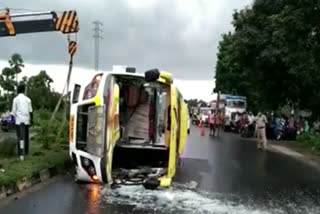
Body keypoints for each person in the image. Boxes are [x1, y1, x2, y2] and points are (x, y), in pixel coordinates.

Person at [12, 84, 33, 160]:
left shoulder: (15, 99)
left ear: (18, 90)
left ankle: (20, 152)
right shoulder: (28, 99)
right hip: (26, 120)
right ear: (24, 90)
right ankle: (26, 151)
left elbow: (13, 112)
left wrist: (12, 121)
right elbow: (31, 111)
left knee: (20, 137)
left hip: (18, 121)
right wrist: (32, 120)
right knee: (26, 136)